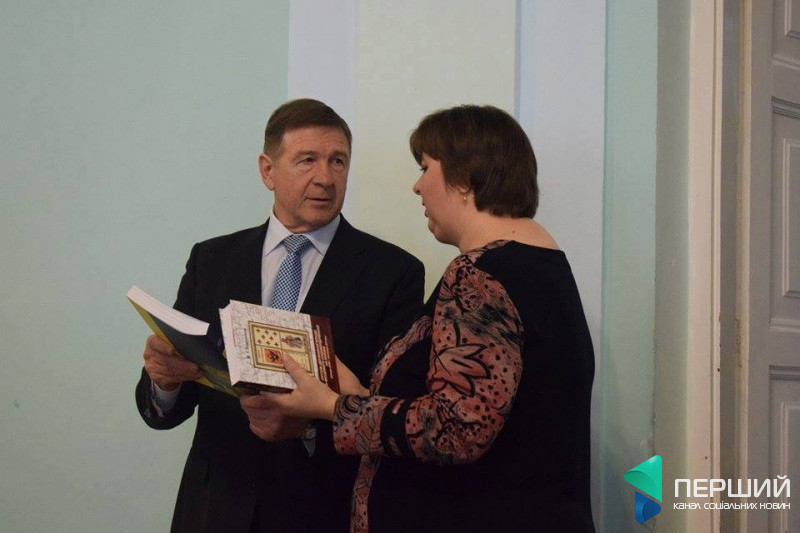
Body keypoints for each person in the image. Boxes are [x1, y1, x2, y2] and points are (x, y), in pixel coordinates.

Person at [261, 105, 596, 532]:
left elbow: (457, 428)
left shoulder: (478, 276)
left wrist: (332, 407)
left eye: (425, 168)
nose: (417, 186)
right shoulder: (541, 263)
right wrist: (359, 393)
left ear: (463, 178)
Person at [135, 98, 425, 533]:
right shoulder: (211, 260)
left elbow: (394, 416)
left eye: (338, 161)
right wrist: (165, 382)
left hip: (323, 512)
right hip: (215, 510)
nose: (325, 177)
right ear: (267, 170)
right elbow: (165, 410)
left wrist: (307, 428)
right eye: (307, 160)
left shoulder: (393, 273)